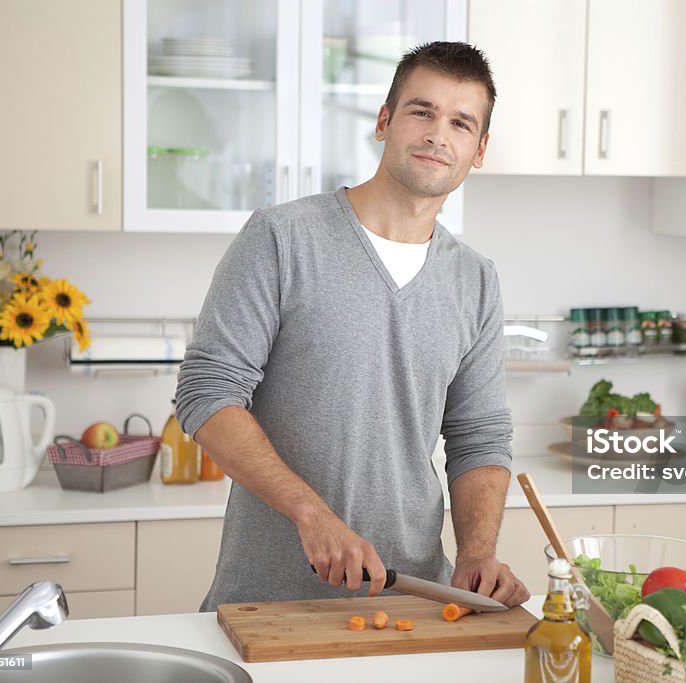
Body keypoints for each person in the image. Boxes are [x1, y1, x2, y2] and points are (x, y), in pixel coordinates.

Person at [175, 41, 530, 610]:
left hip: (413, 599)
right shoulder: (282, 238)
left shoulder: (476, 280)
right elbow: (207, 393)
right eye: (422, 111)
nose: (439, 135)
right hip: (269, 603)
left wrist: (475, 553)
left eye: (461, 123)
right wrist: (310, 514)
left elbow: (478, 437)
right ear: (385, 121)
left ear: (479, 149)